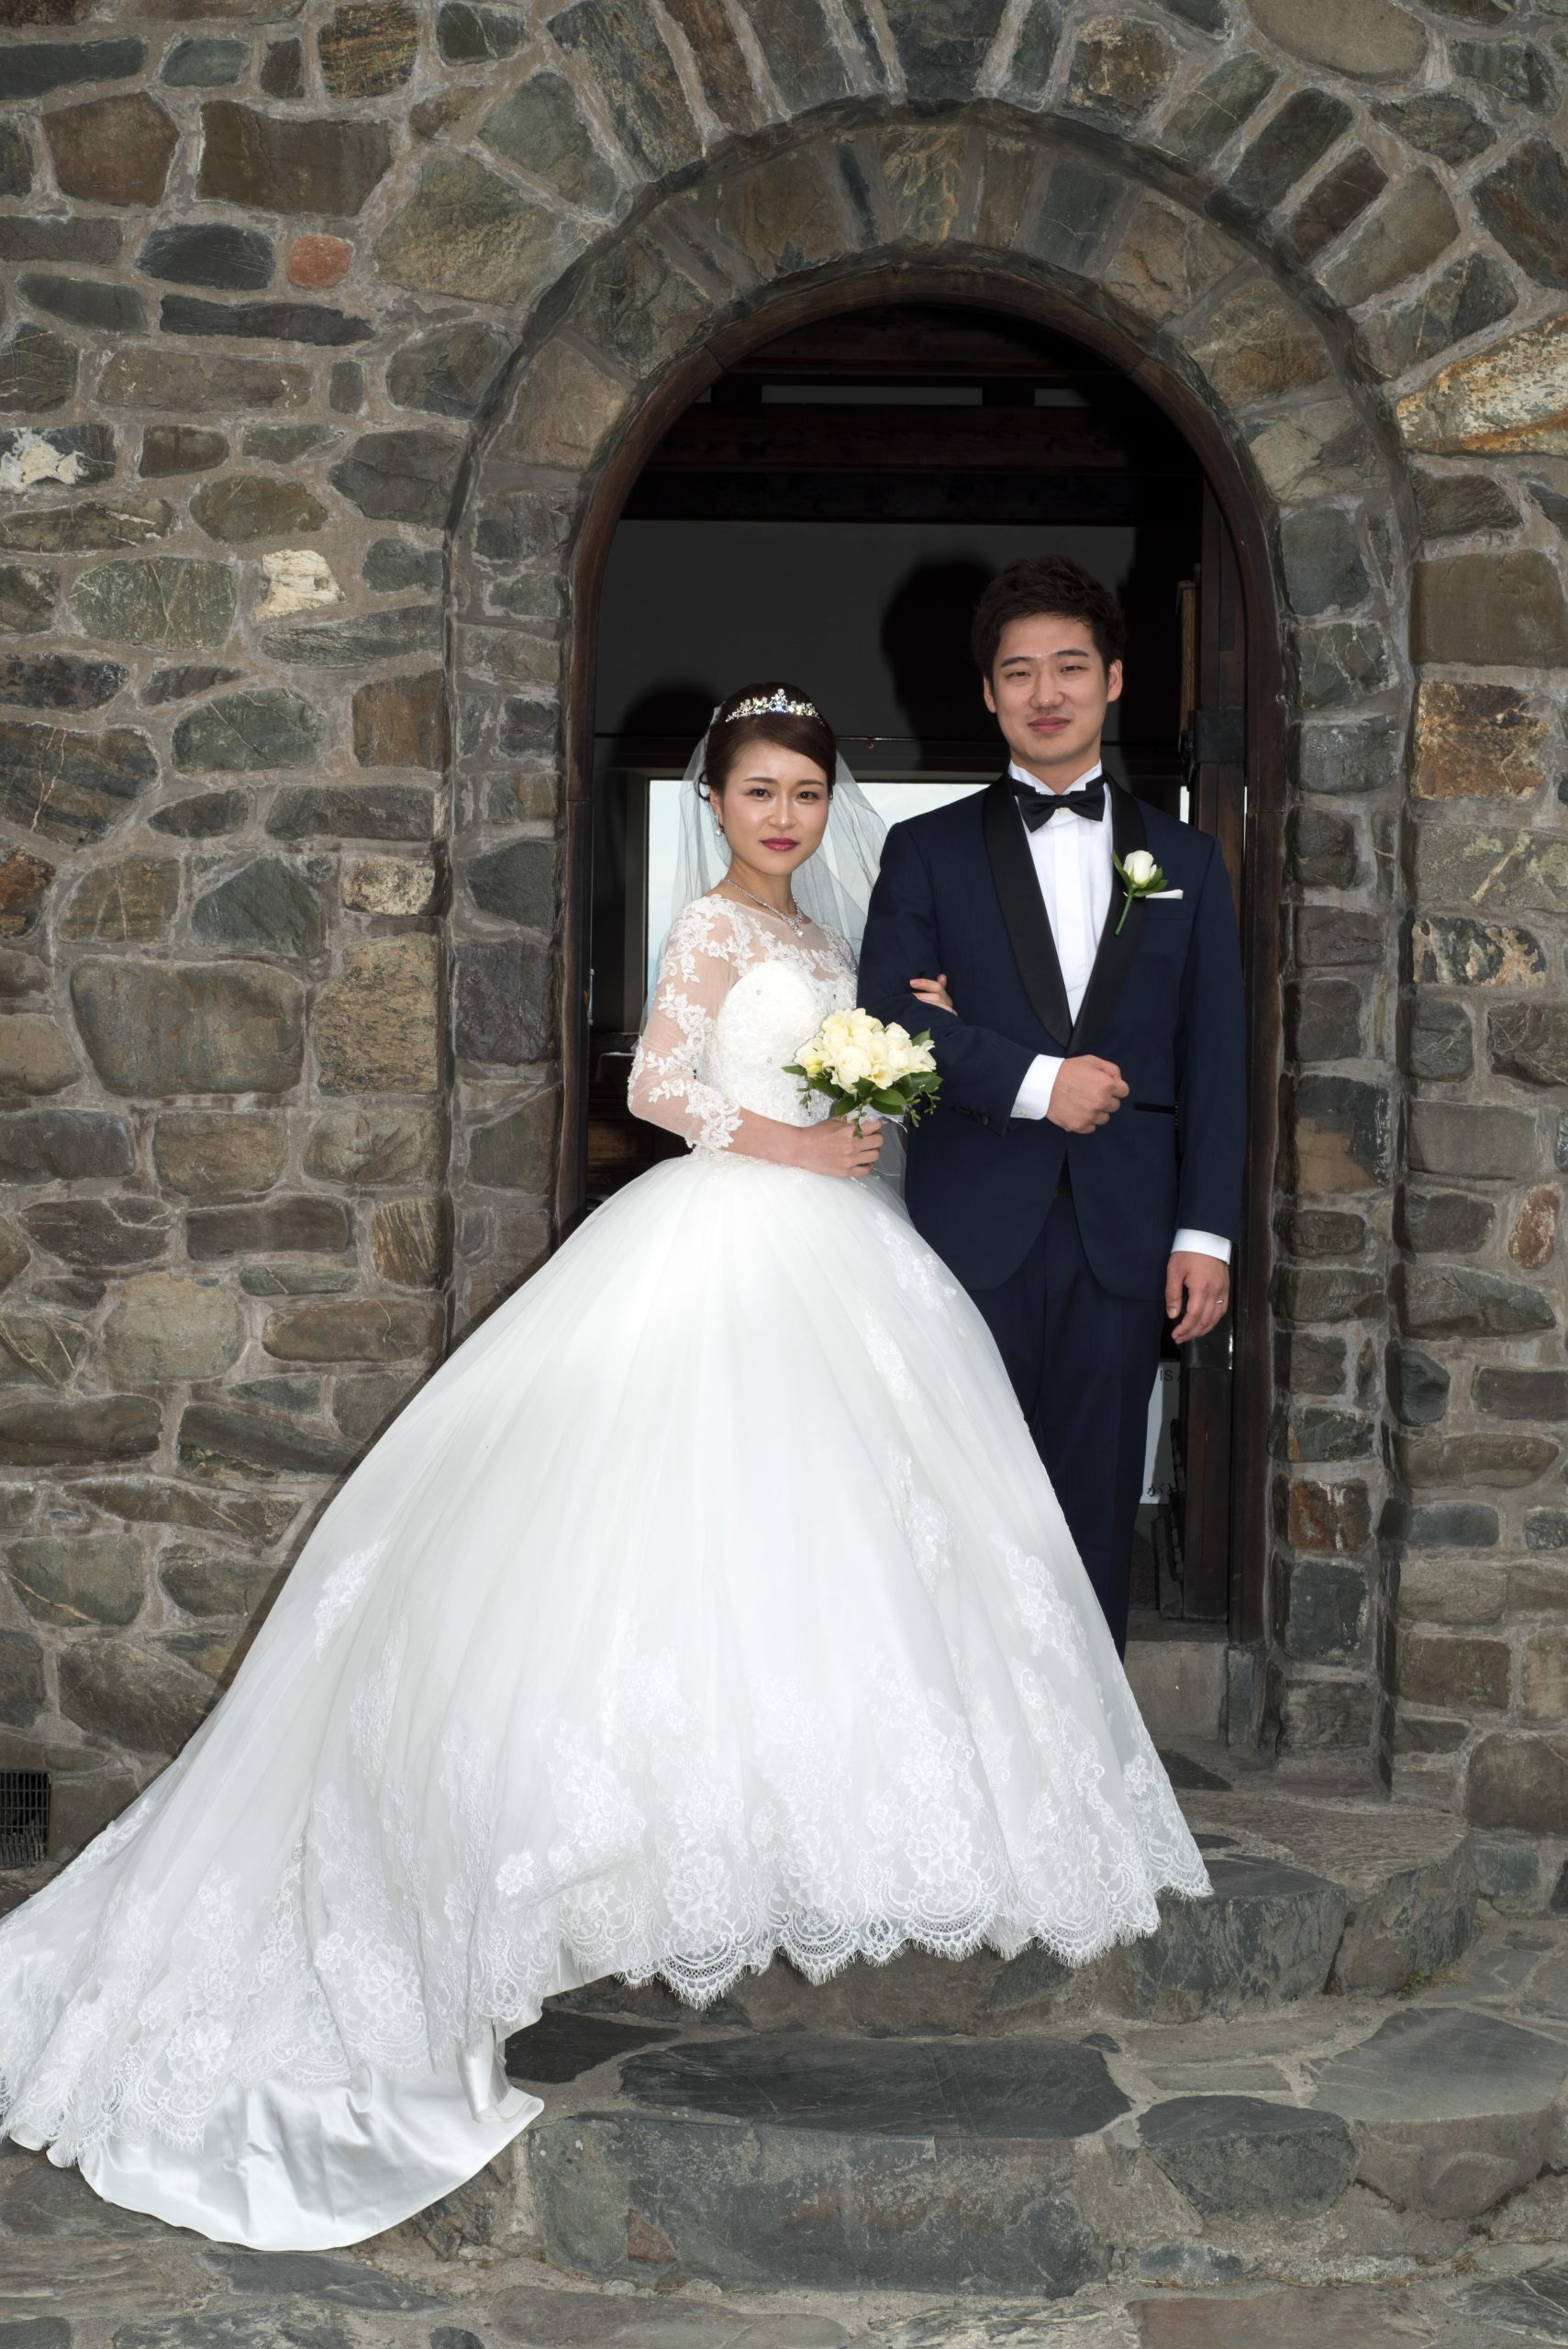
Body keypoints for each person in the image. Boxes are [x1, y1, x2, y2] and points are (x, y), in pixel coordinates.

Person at [0, 682, 1207, 2254]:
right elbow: (657, 1083)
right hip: (730, 1232)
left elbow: (895, 1045)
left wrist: (894, 1064)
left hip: (847, 1246)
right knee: (666, 1523)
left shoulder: (830, 933)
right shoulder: (709, 926)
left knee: (840, 1534)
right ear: (716, 802)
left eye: (804, 794)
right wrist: (792, 1141)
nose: (783, 817)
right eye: (759, 793)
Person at [859, 558, 1248, 1655]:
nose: (1045, 692)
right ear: (987, 693)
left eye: (1069, 667)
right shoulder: (924, 850)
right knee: (956, 1505)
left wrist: (1205, 1234)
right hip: (967, 1225)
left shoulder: (1187, 860)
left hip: (1126, 1236)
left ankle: (1088, 1736)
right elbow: (887, 1018)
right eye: (1019, 671)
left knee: (1094, 1510)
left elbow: (1215, 1057)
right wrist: (1037, 1083)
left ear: (1112, 679)